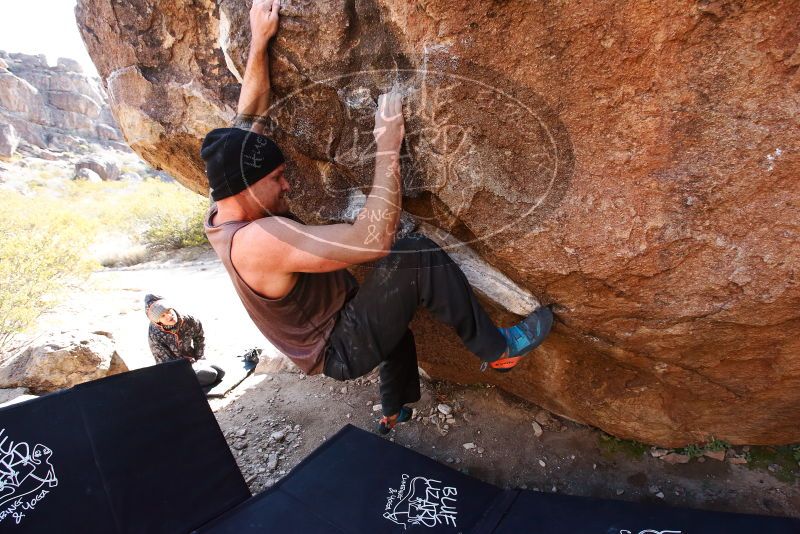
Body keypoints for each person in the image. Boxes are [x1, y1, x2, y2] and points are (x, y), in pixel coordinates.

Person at [201, 0, 554, 434]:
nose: (288, 184)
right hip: (338, 349)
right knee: (414, 259)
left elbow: (249, 114)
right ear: (249, 186)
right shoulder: (257, 242)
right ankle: (497, 348)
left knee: (393, 326)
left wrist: (259, 41)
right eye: (278, 178)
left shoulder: (226, 198)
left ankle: (395, 409)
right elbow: (372, 241)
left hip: (342, 319)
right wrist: (387, 145)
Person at [144, 294, 222, 386]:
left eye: (168, 310)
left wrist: (200, 358)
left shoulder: (189, 320)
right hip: (176, 370)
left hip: (193, 360)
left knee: (220, 372)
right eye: (163, 315)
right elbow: (165, 362)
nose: (169, 316)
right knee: (211, 375)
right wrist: (190, 367)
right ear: (158, 321)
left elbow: (199, 338)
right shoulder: (155, 334)